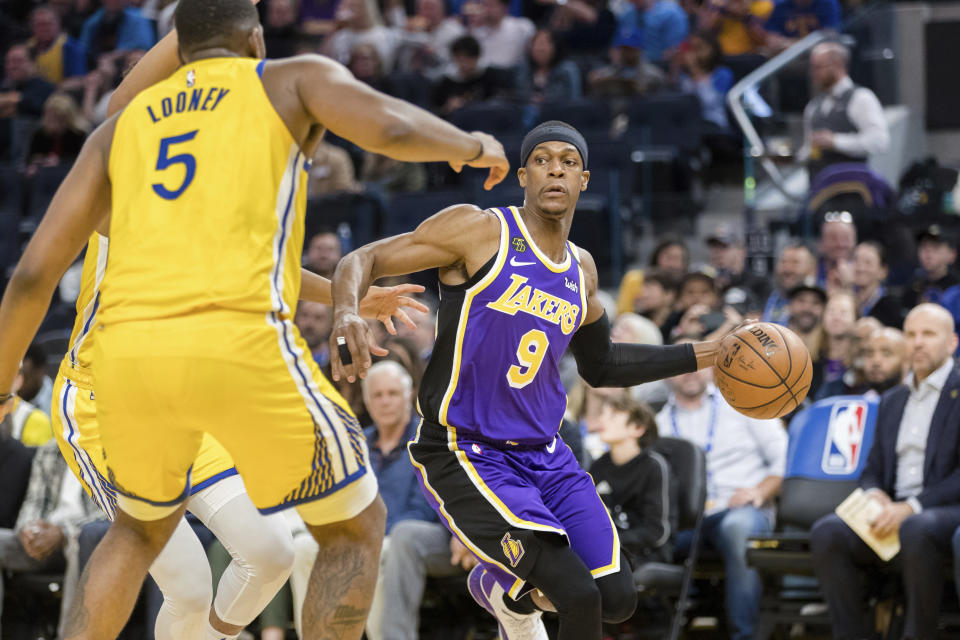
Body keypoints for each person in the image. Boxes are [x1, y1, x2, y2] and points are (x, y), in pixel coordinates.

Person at [0, 1, 510, 639]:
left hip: (154, 370)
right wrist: (473, 144)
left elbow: (29, 278)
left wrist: (347, 297)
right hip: (117, 385)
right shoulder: (266, 89)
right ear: (256, 38)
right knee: (216, 571)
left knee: (267, 551)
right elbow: (389, 127)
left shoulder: (133, 140)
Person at [329, 120, 729, 640]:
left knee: (617, 599)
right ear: (524, 174)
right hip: (466, 450)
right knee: (578, 596)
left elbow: (602, 364)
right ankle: (514, 595)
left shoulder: (581, 270)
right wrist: (345, 312)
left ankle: (506, 594)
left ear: (585, 179)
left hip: (545, 454)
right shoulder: (478, 231)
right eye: (543, 160)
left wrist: (706, 353)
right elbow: (365, 259)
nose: (556, 168)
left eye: (568, 160)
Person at [810, 303, 960, 640]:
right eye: (911, 334)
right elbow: (872, 469)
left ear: (952, 343)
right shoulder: (893, 400)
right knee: (828, 532)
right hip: (893, 509)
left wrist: (911, 507)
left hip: (942, 509)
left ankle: (918, 634)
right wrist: (874, 493)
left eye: (928, 334)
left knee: (916, 528)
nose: (917, 343)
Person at [657, 348, 788, 640]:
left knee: (737, 528)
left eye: (698, 364)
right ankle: (662, 627)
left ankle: (745, 635)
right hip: (689, 519)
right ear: (665, 372)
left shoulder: (742, 401)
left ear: (711, 367)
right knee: (652, 534)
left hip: (741, 507)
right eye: (682, 365)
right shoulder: (659, 423)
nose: (691, 371)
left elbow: (784, 456)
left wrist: (760, 491)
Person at [0, 441, 98, 638]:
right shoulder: (51, 449)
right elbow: (32, 504)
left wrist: (63, 532)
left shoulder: (111, 449)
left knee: (80, 543)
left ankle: (70, 636)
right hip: (44, 536)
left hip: (83, 538)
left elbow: (108, 516)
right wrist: (28, 530)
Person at [590, 394, 675, 563]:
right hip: (610, 550)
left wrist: (610, 543)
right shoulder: (598, 466)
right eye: (602, 414)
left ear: (637, 428)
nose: (602, 420)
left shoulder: (654, 467)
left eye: (612, 415)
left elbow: (656, 532)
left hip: (647, 553)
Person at [797, 42, 889, 182]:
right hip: (817, 191)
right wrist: (793, 157)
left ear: (838, 64)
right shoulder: (813, 106)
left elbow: (879, 141)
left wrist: (835, 141)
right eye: (812, 68)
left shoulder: (861, 97)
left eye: (818, 67)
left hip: (852, 190)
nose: (813, 74)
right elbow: (808, 149)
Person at [816, 326, 906, 399]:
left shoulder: (914, 404)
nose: (876, 361)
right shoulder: (854, 402)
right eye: (869, 354)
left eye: (886, 354)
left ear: (905, 360)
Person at [515, 29, 582, 106]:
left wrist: (544, 101)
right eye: (536, 43)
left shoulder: (567, 70)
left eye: (545, 43)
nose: (540, 48)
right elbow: (519, 97)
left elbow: (574, 100)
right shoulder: (523, 68)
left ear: (556, 47)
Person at [26, 5, 88, 88]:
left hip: (60, 94)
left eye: (48, 24)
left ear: (58, 24)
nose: (44, 28)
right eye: (39, 25)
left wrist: (51, 90)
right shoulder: (27, 47)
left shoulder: (70, 46)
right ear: (32, 27)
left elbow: (78, 80)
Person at [903, 224, 959, 309]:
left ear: (952, 255)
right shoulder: (913, 287)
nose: (928, 252)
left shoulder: (956, 288)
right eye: (923, 246)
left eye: (935, 247)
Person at [852, 240, 903, 328]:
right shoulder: (843, 299)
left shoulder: (891, 307)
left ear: (883, 271)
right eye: (856, 260)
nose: (860, 268)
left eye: (868, 263)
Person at [763, 242, 816, 325]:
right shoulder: (767, 297)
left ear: (811, 268)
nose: (788, 269)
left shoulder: (821, 304)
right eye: (783, 262)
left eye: (795, 263)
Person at [16, 343, 53, 417]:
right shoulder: (10, 397)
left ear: (40, 371)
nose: (18, 384)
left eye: (25, 376)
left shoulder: (56, 404)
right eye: (16, 376)